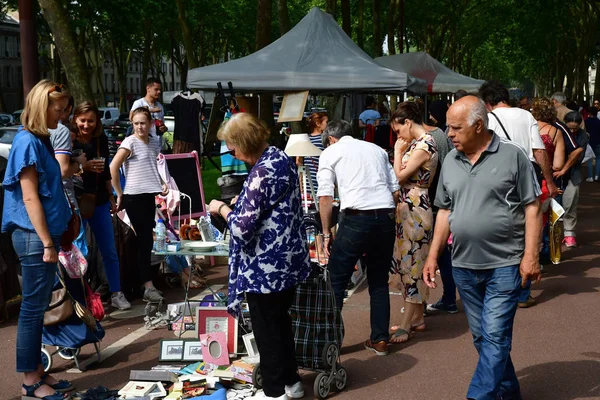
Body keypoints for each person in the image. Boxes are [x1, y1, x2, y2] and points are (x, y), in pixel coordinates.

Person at [423, 96, 542, 400]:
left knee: (495, 335)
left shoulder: (513, 156)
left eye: (455, 128)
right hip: (464, 266)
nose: (448, 133)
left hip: (505, 264)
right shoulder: (450, 160)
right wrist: (433, 255)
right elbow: (444, 211)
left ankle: (479, 396)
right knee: (484, 337)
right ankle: (509, 391)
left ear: (478, 126)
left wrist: (531, 257)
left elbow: (532, 208)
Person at [207, 113, 311, 400]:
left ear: (244, 143)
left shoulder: (261, 172)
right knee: (280, 322)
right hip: (288, 259)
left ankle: (274, 390)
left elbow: (240, 229)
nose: (232, 153)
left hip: (264, 265)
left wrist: (221, 208)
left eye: (232, 147)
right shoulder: (280, 158)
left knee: (266, 328)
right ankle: (292, 383)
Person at [2, 79, 75, 398]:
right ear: (41, 107)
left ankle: (37, 373)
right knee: (33, 308)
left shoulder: (38, 139)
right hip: (34, 238)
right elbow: (30, 198)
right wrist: (47, 242)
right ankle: (31, 381)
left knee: (37, 305)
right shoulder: (28, 142)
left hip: (40, 236)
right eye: (58, 110)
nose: (61, 117)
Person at [317, 120, 399, 356]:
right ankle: (380, 338)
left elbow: (325, 197)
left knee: (336, 281)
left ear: (331, 139)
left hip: (355, 218)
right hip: (384, 216)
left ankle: (330, 342)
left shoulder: (331, 153)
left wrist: (325, 232)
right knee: (378, 280)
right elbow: (394, 190)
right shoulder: (376, 149)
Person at [72, 102, 132, 308]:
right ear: (75, 119)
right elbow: (62, 169)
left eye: (90, 121)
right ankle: (81, 297)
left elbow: (106, 169)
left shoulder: (100, 139)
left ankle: (116, 293)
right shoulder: (69, 138)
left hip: (98, 200)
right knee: (80, 251)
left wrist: (112, 195)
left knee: (109, 249)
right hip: (75, 202)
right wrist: (82, 166)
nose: (86, 125)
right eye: (82, 120)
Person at [388, 102, 438, 344]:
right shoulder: (421, 143)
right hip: (410, 206)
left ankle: (407, 323)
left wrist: (398, 152)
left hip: (416, 206)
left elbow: (399, 176)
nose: (398, 136)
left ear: (407, 122)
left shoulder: (424, 144)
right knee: (408, 262)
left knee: (413, 264)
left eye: (398, 130)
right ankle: (416, 317)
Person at [110, 107, 171, 302]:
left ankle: (145, 285)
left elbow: (151, 167)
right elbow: (113, 167)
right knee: (143, 241)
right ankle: (146, 286)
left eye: (143, 123)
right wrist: (119, 193)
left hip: (148, 196)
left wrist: (160, 183)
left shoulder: (153, 143)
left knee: (146, 242)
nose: (139, 127)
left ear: (150, 124)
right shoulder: (130, 142)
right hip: (134, 197)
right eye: (135, 123)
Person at [519, 98, 566, 307]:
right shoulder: (556, 133)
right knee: (535, 232)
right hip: (542, 185)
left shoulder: (525, 126)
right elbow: (557, 163)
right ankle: (524, 290)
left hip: (518, 183)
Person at [480, 80, 558, 199]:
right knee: (529, 211)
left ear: (488, 103)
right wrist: (549, 182)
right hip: (527, 175)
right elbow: (539, 151)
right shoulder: (526, 115)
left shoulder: (488, 119)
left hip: (500, 177)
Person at [557, 111, 589, 248]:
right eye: (569, 128)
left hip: (573, 175)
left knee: (570, 204)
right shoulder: (558, 132)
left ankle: (569, 234)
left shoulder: (583, 136)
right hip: (557, 175)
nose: (572, 131)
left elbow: (578, 157)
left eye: (575, 128)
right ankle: (555, 235)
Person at [297, 112, 328, 192]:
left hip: (307, 179)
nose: (327, 125)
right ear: (318, 123)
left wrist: (300, 184)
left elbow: (299, 161)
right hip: (322, 178)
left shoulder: (305, 139)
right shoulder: (325, 139)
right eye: (326, 122)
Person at [585, 106, 600, 181]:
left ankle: (590, 176)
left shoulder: (586, 121)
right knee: (598, 158)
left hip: (590, 142)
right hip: (598, 142)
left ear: (589, 113)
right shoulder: (598, 121)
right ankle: (597, 175)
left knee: (590, 159)